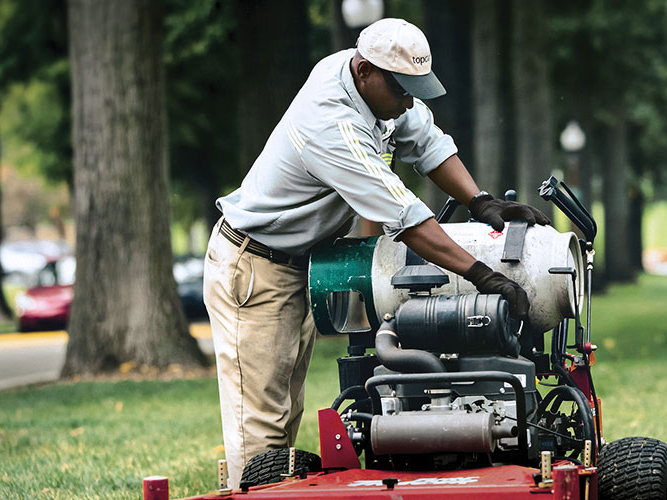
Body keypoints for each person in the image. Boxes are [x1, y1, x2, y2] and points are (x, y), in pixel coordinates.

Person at [203, 18, 550, 485]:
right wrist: (483, 276)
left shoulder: (372, 88)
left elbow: (427, 143)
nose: (409, 100)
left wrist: (480, 201)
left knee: (284, 416)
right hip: (255, 268)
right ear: (366, 71)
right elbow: (404, 218)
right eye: (402, 89)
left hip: (294, 264)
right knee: (259, 431)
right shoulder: (331, 122)